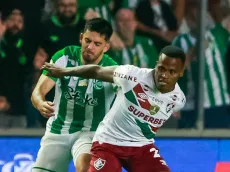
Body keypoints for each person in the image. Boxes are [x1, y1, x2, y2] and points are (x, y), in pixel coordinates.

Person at [42, 45, 186, 172]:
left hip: (141, 148)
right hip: (108, 143)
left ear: (181, 73)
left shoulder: (178, 100)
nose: (163, 75)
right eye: (161, 68)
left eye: (171, 72)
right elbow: (97, 71)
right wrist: (64, 71)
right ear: (156, 64)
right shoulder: (132, 76)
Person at [31, 18, 117, 172]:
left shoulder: (113, 70)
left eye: (97, 44)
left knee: (86, 167)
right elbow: (38, 92)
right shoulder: (64, 56)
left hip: (91, 132)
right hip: (59, 130)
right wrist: (40, 103)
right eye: (87, 40)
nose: (90, 47)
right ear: (81, 37)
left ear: (106, 47)